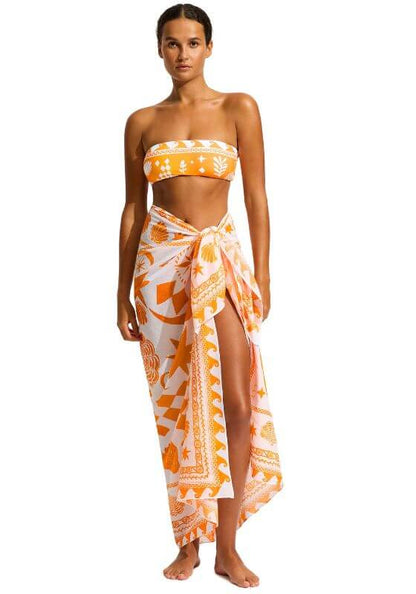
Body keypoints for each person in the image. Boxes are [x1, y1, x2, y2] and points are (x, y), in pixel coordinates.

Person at [117, 3, 283, 588]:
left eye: (192, 42)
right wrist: (120, 292)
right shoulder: (142, 121)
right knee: (178, 408)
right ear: (158, 49)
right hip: (160, 269)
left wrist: (262, 275)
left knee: (237, 402)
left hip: (219, 263)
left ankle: (228, 548)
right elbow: (133, 208)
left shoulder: (239, 108)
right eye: (172, 43)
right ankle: (188, 543)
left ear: (210, 47)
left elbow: (257, 197)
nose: (182, 54)